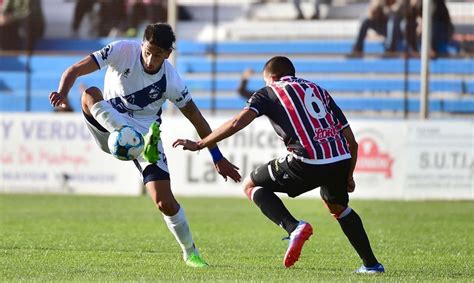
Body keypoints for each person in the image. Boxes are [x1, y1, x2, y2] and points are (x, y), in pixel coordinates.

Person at [49, 23, 241, 267]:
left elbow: (197, 119)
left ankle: (190, 252)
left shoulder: (172, 81)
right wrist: (62, 91)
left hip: (144, 132)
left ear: (168, 54)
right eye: (148, 52)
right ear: (142, 45)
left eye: (157, 55)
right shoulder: (122, 50)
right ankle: (127, 134)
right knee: (89, 93)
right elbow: (75, 69)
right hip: (107, 125)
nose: (150, 60)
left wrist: (217, 156)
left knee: (165, 202)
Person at [173, 56, 385, 273]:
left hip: (307, 159)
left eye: (265, 81)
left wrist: (201, 144)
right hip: (340, 158)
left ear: (271, 77)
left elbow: (237, 122)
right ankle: (371, 265)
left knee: (250, 185)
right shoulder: (318, 90)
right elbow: (352, 142)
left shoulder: (269, 91)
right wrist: (349, 175)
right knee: (339, 208)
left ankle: (294, 227)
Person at [350, 0, 418, 57]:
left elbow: (396, 11)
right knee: (365, 20)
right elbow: (372, 11)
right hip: (385, 27)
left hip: (400, 29)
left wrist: (385, 8)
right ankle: (357, 48)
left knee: (392, 20)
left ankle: (390, 49)